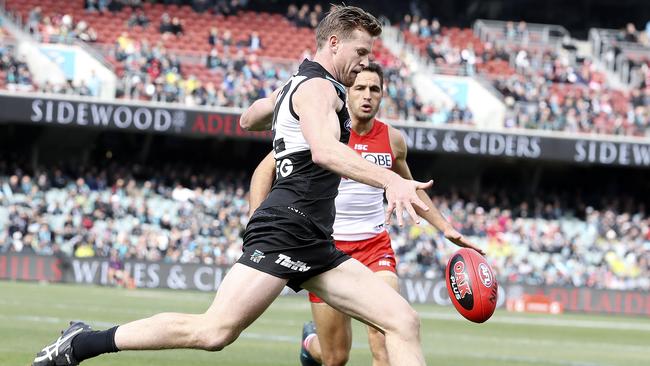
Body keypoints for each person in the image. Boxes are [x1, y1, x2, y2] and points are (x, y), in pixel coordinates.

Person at [32, 6, 430, 366]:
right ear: (333, 42)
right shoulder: (317, 88)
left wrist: (282, 104)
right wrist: (390, 179)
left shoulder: (299, 84)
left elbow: (248, 118)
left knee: (402, 320)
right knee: (214, 331)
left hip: (315, 239)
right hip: (287, 229)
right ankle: (83, 343)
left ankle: (82, 342)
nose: (366, 63)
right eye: (361, 52)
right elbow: (325, 151)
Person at [249, 63, 484, 366]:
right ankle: (311, 344)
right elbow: (262, 172)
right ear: (346, 92)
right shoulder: (324, 128)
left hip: (375, 248)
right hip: (325, 250)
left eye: (374, 89)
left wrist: (446, 228)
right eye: (360, 88)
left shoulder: (393, 140)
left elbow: (410, 188)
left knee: (386, 336)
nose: (367, 95)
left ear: (383, 95)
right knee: (335, 357)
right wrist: (257, 222)